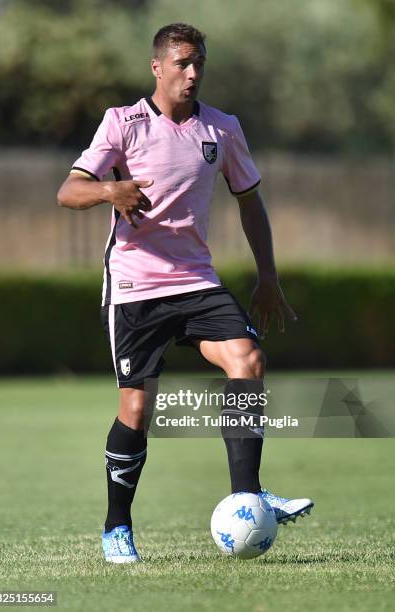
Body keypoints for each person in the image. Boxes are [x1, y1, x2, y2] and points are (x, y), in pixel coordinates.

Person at [57, 22, 313, 564]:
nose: (192, 73)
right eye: (181, 63)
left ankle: (247, 493)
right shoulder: (121, 124)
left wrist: (268, 276)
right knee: (136, 408)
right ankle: (116, 527)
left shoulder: (222, 129)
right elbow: (69, 191)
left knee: (248, 359)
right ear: (157, 67)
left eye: (199, 63)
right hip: (136, 285)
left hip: (197, 281)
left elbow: (249, 201)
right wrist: (110, 189)